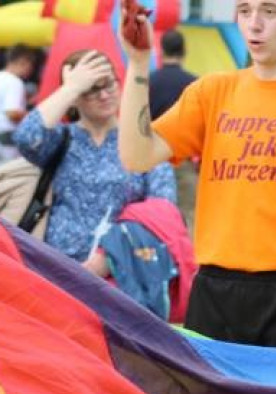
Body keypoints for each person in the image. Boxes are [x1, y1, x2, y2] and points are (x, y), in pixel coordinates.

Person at [117, 0, 276, 352]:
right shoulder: (212, 92)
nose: (254, 24)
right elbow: (137, 155)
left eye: (269, 11)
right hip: (214, 291)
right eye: (244, 10)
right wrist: (137, 63)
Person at [12, 49, 176, 273]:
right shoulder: (62, 139)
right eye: (91, 89)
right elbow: (26, 138)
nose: (104, 95)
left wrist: (108, 258)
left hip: (122, 275)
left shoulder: (144, 142)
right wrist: (71, 87)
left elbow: (162, 211)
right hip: (57, 270)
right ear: (75, 98)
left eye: (109, 84)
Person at [148, 29, 196, 119]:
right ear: (184, 52)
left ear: (161, 51)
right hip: (184, 132)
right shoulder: (195, 84)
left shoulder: (149, 81)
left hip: (155, 131)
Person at [1, 45, 36, 161]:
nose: (30, 70)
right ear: (23, 62)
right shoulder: (14, 82)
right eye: (31, 66)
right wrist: (33, 116)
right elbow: (12, 113)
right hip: (7, 139)